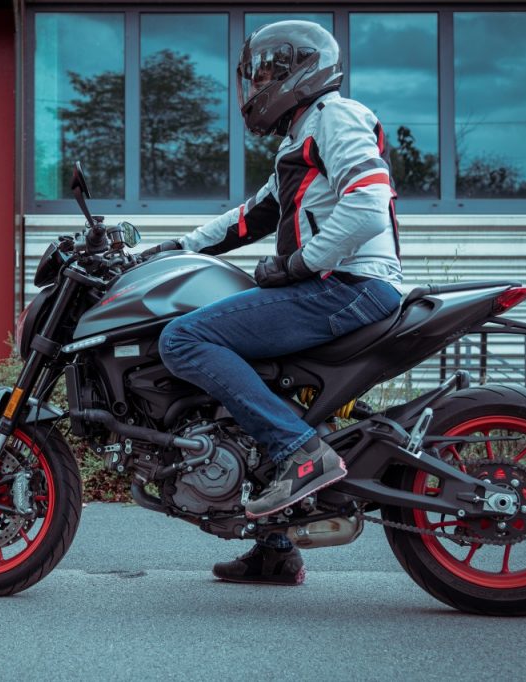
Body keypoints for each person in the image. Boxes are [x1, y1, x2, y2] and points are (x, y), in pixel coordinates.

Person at [140, 20, 404, 585]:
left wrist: (299, 265)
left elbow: (367, 204)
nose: (255, 87)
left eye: (263, 75)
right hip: (334, 286)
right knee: (260, 380)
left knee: (183, 338)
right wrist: (174, 248)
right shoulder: (301, 136)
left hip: (347, 286)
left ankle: (301, 451)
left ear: (297, 71)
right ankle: (275, 548)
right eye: (254, 76)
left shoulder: (337, 117)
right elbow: (251, 217)